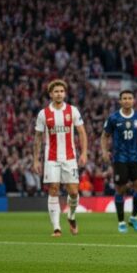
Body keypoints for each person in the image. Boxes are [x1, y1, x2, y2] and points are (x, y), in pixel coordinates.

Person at [33, 79, 88, 237]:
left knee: (73, 192)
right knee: (54, 189)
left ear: (65, 93)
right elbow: (37, 137)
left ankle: (71, 216)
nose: (59, 94)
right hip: (51, 158)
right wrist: (36, 159)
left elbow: (82, 133)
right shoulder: (43, 114)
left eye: (61, 91)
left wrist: (84, 153)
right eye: (56, 91)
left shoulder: (73, 111)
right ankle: (56, 227)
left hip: (70, 157)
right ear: (50, 94)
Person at [101, 90, 137, 233]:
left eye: (130, 98)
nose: (127, 100)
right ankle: (121, 222)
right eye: (125, 98)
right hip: (120, 158)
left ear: (133, 100)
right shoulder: (114, 118)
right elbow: (105, 136)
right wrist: (104, 151)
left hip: (135, 158)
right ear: (120, 101)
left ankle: (133, 218)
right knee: (120, 189)